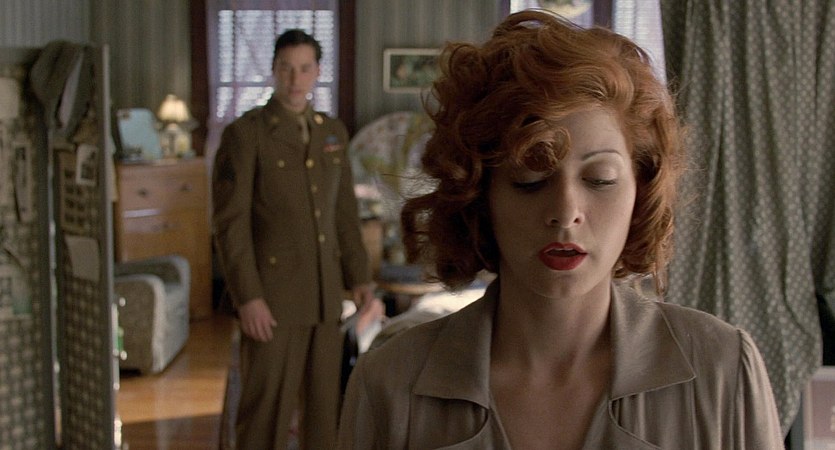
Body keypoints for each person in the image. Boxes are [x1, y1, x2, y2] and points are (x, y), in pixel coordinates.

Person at [337, 10, 784, 449]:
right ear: (480, 196)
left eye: (600, 180)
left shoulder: (724, 371)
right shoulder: (388, 386)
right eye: (530, 180)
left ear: (640, 190)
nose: (566, 212)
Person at [212, 29, 375, 449]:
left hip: (325, 298)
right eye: (286, 68)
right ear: (273, 70)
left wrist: (360, 278)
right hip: (272, 299)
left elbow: (344, 215)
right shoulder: (247, 134)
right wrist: (248, 297)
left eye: (304, 69)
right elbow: (231, 224)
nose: (294, 79)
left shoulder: (331, 132)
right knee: (264, 414)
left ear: (317, 71)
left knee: (324, 415)